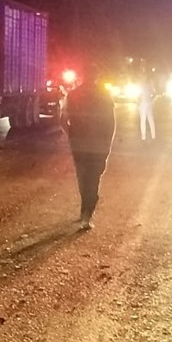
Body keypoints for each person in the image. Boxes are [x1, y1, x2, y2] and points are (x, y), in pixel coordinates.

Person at [61, 67, 116, 230]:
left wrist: (72, 136)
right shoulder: (105, 95)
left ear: (83, 76)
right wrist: (107, 144)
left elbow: (63, 119)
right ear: (97, 76)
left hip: (79, 144)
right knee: (93, 178)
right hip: (98, 145)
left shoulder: (73, 95)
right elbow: (111, 123)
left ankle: (85, 209)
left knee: (83, 177)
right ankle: (87, 212)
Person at [138, 76, 156, 141]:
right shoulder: (150, 84)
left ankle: (143, 136)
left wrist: (139, 101)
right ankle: (153, 135)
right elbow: (154, 93)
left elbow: (138, 94)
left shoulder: (141, 85)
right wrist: (151, 99)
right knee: (150, 119)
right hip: (149, 102)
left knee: (143, 119)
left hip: (143, 102)